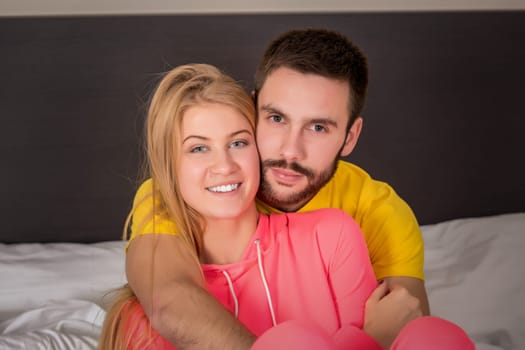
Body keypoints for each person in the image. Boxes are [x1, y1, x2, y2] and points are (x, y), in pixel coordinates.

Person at [99, 63, 473, 350]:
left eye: (239, 142)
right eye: (198, 148)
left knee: (434, 336)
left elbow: (406, 320)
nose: (225, 165)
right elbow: (169, 303)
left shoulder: (334, 234)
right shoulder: (147, 310)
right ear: (169, 167)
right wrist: (370, 338)